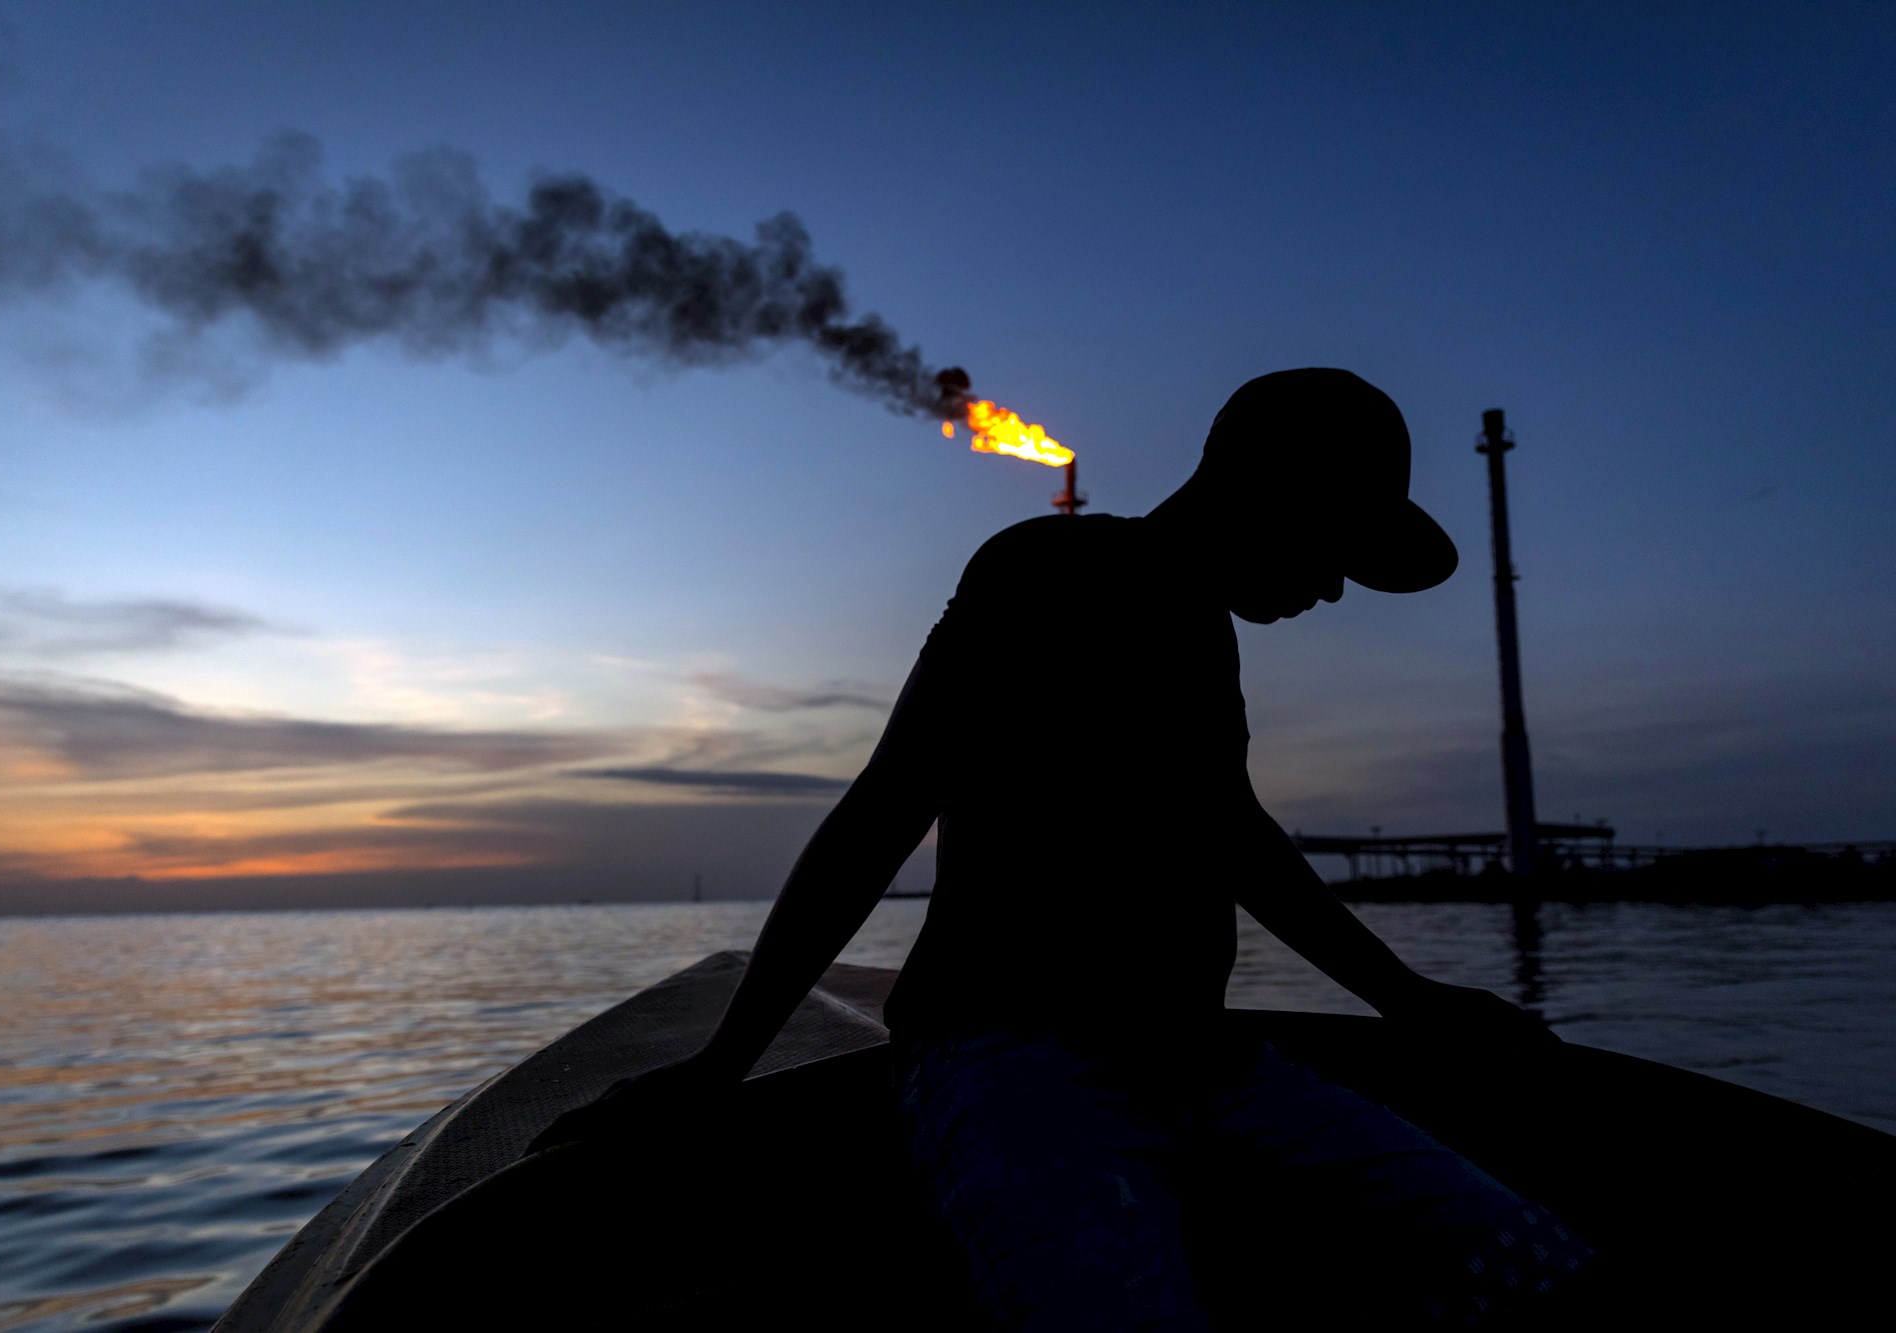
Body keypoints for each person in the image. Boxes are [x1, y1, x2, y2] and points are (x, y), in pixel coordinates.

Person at [551, 369, 1597, 1327]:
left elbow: (1230, 832)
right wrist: (721, 1065)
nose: (1332, 588)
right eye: (1334, 545)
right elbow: (888, 804)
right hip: (1013, 1059)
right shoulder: (1045, 568)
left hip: (1206, 1064)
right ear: (1267, 484)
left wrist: (1408, 999)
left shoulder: (1202, 632)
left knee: (1537, 1266)